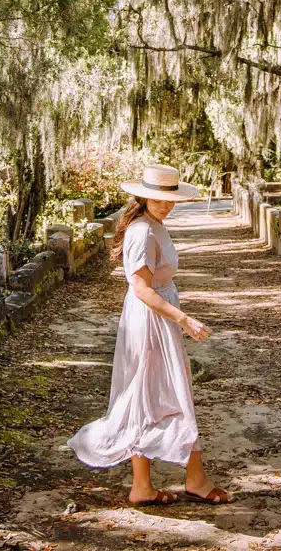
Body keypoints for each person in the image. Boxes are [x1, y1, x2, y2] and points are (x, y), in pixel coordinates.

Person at [67, 164, 235, 507]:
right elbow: (141, 289)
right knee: (163, 391)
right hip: (150, 320)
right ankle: (193, 479)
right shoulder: (142, 232)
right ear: (142, 197)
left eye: (169, 198)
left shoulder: (154, 226)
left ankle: (147, 485)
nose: (165, 204)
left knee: (154, 392)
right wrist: (183, 319)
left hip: (158, 316)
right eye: (158, 199)